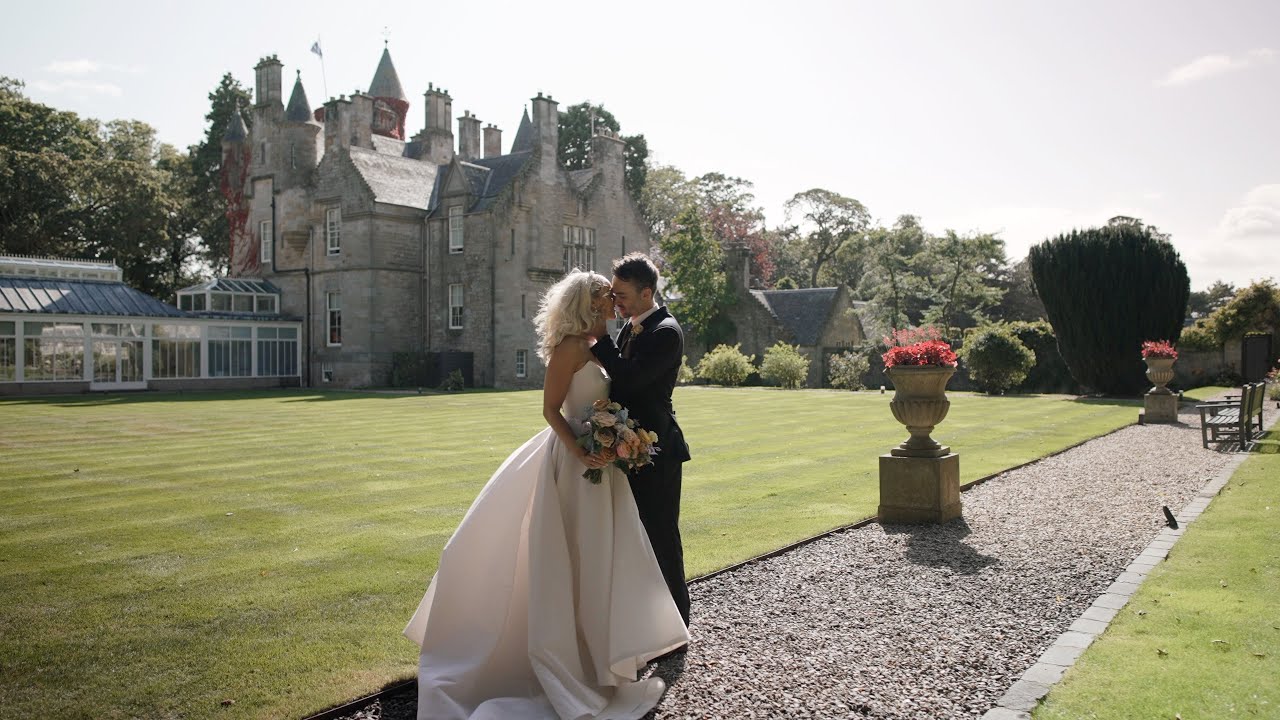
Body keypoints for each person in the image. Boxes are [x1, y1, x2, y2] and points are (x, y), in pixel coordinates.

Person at [403, 269, 689, 720]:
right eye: (605, 299)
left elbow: (618, 392)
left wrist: (614, 439)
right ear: (589, 305)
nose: (613, 304)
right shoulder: (571, 348)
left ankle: (600, 658)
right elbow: (550, 410)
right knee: (565, 557)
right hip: (570, 465)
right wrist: (579, 450)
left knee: (601, 559)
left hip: (604, 470)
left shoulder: (600, 346)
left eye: (616, 297)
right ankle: (562, 658)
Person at [589, 253, 692, 629]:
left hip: (658, 450)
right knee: (635, 537)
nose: (615, 301)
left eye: (622, 294)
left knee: (661, 534)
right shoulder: (631, 327)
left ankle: (677, 622)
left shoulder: (665, 331)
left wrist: (600, 339)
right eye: (613, 294)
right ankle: (644, 621)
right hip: (628, 448)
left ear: (647, 292)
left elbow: (630, 379)